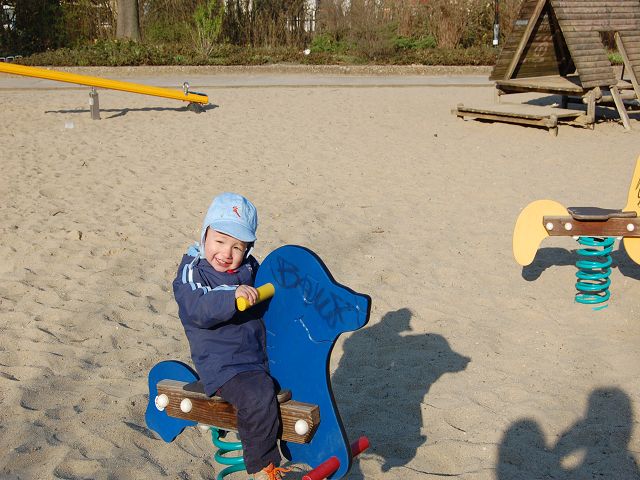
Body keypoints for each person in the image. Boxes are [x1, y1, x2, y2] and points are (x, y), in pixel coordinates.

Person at [173, 192, 288, 480]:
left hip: (256, 356)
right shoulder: (193, 271)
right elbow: (196, 306)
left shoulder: (249, 267)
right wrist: (232, 295)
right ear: (204, 234)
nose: (226, 253)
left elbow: (273, 287)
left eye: (237, 246)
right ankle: (263, 467)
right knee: (257, 396)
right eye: (220, 241)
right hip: (224, 365)